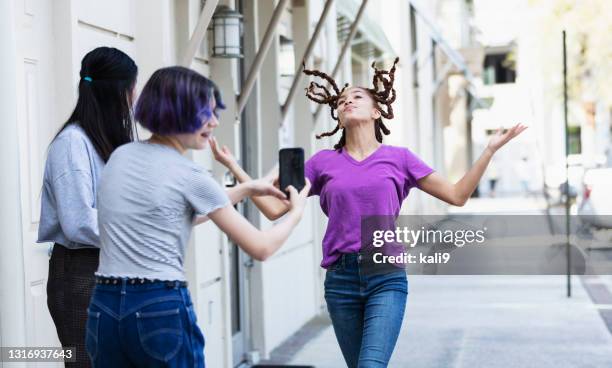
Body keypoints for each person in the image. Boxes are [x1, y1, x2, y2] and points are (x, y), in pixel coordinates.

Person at [212, 58, 527, 367]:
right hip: (340, 280)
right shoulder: (322, 163)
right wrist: (237, 170)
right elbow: (273, 209)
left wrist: (489, 151)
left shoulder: (399, 159)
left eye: (357, 97)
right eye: (343, 101)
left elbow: (457, 196)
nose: (347, 102)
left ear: (377, 111)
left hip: (385, 277)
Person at [86, 66, 310, 367]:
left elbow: (166, 217)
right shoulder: (191, 175)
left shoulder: (120, 156)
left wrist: (244, 190)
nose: (214, 122)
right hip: (158, 306)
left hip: (104, 306)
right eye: (206, 113)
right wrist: (296, 213)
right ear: (178, 112)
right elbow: (261, 247)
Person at [38, 46, 138, 367]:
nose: (134, 99)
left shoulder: (107, 141)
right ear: (116, 92)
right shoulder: (71, 144)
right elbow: (79, 221)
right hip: (81, 274)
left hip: (113, 268)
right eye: (131, 89)